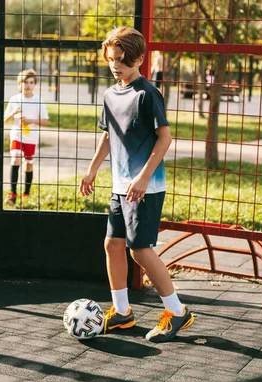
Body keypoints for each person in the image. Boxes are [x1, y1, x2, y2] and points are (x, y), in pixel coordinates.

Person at [79, 27, 195, 343]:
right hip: (120, 187)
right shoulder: (110, 94)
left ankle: (178, 312)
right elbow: (108, 134)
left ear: (139, 60)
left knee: (140, 251)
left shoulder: (147, 94)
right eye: (112, 60)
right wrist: (92, 169)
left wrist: (143, 177)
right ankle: (122, 313)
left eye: (123, 62)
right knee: (113, 245)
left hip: (146, 187)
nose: (116, 66)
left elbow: (165, 137)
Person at [4, 69, 49, 206]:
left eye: (31, 82)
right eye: (25, 82)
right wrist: (13, 113)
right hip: (16, 134)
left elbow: (45, 121)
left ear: (34, 84)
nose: (28, 85)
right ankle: (12, 195)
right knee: (15, 159)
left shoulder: (38, 100)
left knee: (28, 164)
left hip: (31, 136)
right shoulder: (14, 99)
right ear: (19, 84)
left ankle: (26, 192)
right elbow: (5, 119)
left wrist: (31, 120)